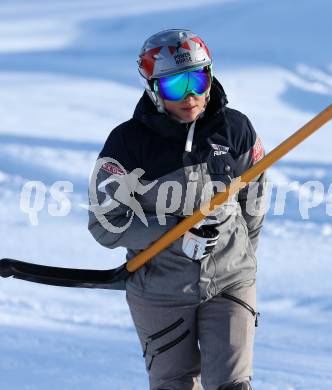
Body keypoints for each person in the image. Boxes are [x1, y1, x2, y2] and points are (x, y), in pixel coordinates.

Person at [88, 29, 267, 390]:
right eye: (174, 86)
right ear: (154, 90)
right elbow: (104, 224)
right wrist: (174, 231)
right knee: (173, 384)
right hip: (160, 290)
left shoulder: (236, 130)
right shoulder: (127, 144)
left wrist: (238, 253)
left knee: (232, 384)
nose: (191, 96)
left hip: (230, 280)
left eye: (198, 80)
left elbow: (255, 200)